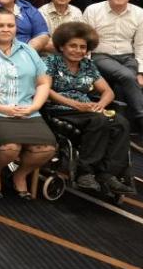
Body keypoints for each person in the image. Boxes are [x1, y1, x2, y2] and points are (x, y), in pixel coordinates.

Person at [0, 8, 56, 199]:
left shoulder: (28, 50)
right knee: (9, 148)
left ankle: (20, 174)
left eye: (10, 25)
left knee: (47, 149)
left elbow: (44, 82)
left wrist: (34, 107)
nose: (6, 29)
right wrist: (0, 108)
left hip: (27, 111)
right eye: (0, 25)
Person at [44, 22, 135, 194]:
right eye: (73, 46)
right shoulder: (51, 62)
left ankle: (108, 174)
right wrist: (75, 104)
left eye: (82, 47)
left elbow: (107, 91)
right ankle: (84, 172)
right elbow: (45, 90)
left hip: (87, 109)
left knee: (121, 122)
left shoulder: (88, 65)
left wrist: (101, 104)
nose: (78, 50)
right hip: (60, 108)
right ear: (62, 46)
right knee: (99, 120)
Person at [84, 0, 143, 142]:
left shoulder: (139, 13)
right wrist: (86, 67)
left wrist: (141, 71)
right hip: (100, 56)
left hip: (127, 57)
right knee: (127, 77)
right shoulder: (93, 10)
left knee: (123, 83)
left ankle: (119, 128)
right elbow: (86, 41)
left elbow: (141, 44)